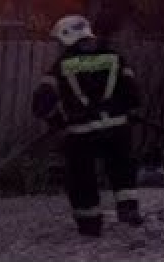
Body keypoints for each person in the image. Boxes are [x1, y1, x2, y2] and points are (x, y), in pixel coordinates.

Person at [32, 15, 143, 237]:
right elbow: (132, 92)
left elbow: (42, 103)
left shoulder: (61, 66)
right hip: (117, 129)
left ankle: (90, 225)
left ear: (66, 36)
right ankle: (129, 210)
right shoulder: (115, 57)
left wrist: (58, 122)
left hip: (81, 134)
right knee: (122, 169)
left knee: (82, 178)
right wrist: (129, 112)